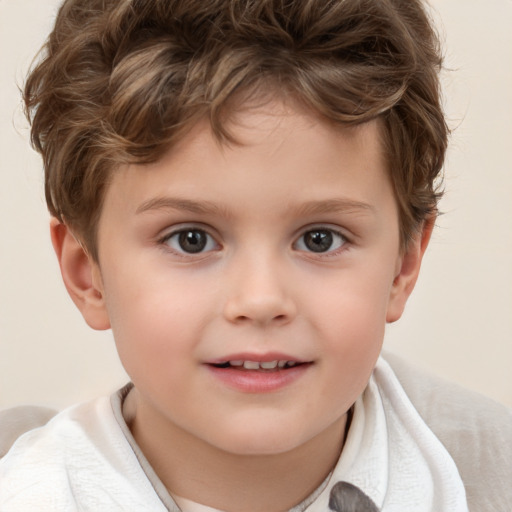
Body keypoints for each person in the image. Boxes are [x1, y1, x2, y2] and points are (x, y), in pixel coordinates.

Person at [0, 0, 510, 510]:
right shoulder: (31, 491)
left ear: (403, 266)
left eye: (320, 239)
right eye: (191, 239)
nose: (261, 300)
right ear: (88, 274)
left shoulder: (487, 476)